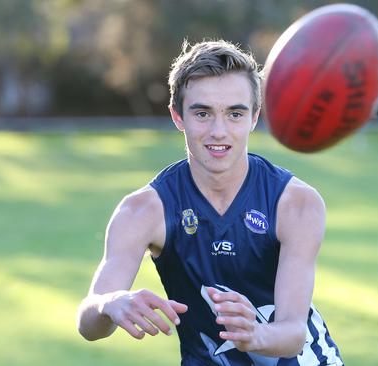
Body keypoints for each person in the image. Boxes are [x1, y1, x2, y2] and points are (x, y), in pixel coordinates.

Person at [77, 39, 343, 366]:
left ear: (254, 117)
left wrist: (254, 335)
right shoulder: (143, 211)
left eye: (234, 113)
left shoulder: (297, 204)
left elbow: (293, 334)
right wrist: (109, 303)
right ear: (178, 117)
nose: (219, 131)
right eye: (202, 113)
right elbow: (88, 325)